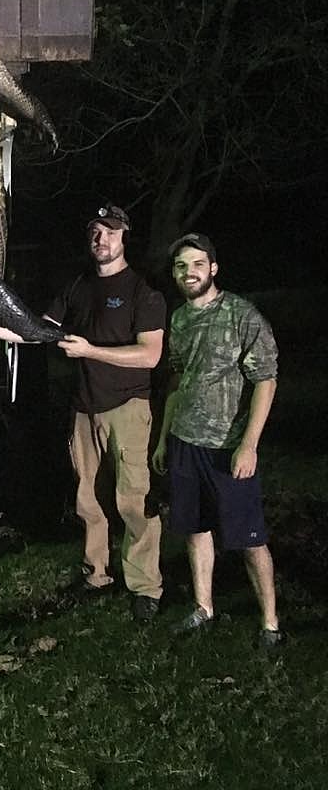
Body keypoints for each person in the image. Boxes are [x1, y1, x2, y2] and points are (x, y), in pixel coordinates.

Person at [152, 233, 281, 646]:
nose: (188, 272)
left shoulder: (241, 315)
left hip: (227, 448)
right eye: (180, 266)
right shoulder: (180, 319)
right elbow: (176, 379)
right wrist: (162, 440)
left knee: (249, 538)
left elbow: (266, 379)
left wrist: (249, 444)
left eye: (196, 264)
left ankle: (270, 624)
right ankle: (203, 607)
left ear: (213, 269)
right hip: (185, 443)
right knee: (195, 529)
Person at [46, 204, 166, 622]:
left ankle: (145, 586)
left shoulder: (141, 291)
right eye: (95, 232)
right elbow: (41, 328)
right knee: (88, 497)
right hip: (84, 407)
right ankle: (97, 574)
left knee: (133, 499)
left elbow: (150, 355)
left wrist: (91, 351)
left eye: (110, 232)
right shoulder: (78, 287)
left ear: (124, 237)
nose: (102, 240)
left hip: (128, 406)